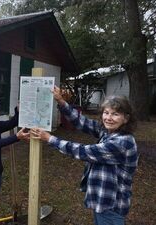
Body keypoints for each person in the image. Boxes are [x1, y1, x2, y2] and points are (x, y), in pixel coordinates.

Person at [30, 86, 138, 225]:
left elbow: (84, 151)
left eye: (115, 114)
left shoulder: (123, 142)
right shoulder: (109, 132)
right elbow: (83, 122)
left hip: (112, 205)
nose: (108, 118)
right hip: (103, 201)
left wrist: (50, 139)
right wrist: (61, 101)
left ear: (126, 118)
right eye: (106, 113)